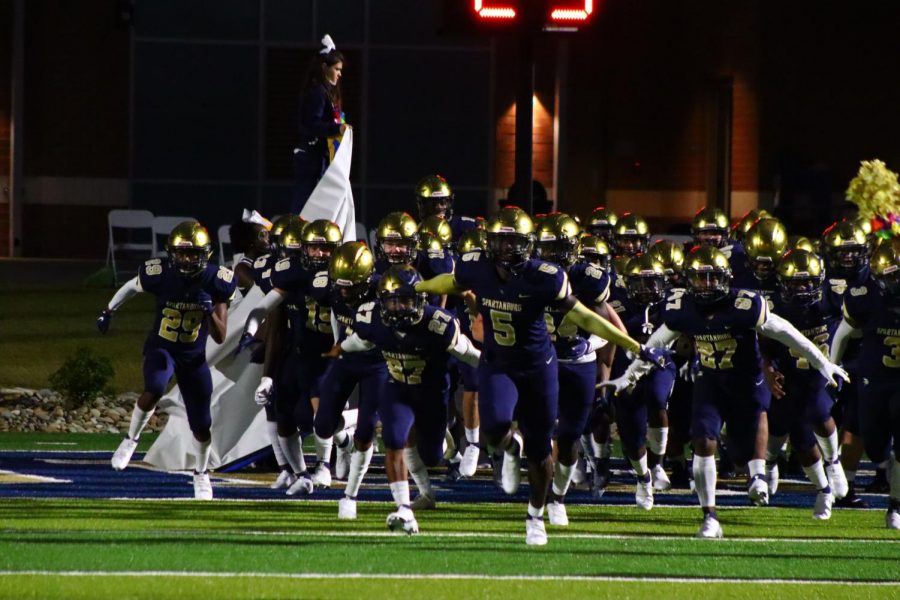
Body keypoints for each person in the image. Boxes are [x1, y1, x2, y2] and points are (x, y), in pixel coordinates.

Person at [414, 206, 667, 545]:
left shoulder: (546, 276)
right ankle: (511, 446)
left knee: (544, 447)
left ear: (526, 244)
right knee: (494, 430)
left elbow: (588, 318)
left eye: (513, 242)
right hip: (500, 361)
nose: (505, 249)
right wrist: (417, 288)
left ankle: (536, 515)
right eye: (500, 242)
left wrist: (633, 346)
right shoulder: (477, 267)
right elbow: (452, 281)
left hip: (540, 366)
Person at [605, 245, 848, 539]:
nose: (707, 285)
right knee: (703, 441)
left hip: (747, 382)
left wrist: (823, 363)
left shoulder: (744, 305)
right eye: (700, 278)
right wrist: (628, 376)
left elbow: (787, 333)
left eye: (713, 278)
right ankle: (709, 516)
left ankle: (801, 483)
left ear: (726, 277)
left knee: (743, 449)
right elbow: (655, 345)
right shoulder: (683, 308)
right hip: (710, 382)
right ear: (688, 279)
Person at [333, 265, 481, 534]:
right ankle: (403, 508)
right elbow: (359, 341)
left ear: (420, 300)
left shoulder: (438, 324)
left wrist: (497, 369)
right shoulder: (371, 319)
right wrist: (338, 348)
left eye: (406, 300)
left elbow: (469, 354)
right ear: (382, 302)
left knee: (431, 456)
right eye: (393, 301)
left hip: (431, 393)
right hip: (397, 387)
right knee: (393, 441)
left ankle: (432, 461)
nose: (400, 307)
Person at [97, 221, 236, 500]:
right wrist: (108, 310)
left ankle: (200, 473)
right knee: (156, 384)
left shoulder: (216, 280)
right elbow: (131, 286)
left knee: (201, 423)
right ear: (171, 253)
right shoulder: (160, 272)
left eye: (192, 254)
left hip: (193, 357)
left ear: (205, 254)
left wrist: (209, 312)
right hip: (162, 348)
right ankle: (131, 440)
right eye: (181, 254)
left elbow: (220, 336)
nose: (185, 259)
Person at [830, 239, 900, 530]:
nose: (894, 281)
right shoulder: (864, 296)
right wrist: (830, 367)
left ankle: (895, 507)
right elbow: (843, 333)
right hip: (872, 380)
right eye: (890, 275)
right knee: (874, 445)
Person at [291, 34, 350, 214]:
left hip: (321, 158)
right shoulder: (317, 91)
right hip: (311, 158)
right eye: (337, 69)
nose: (340, 74)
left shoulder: (328, 92)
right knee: (305, 204)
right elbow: (310, 125)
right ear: (325, 67)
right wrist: (336, 128)